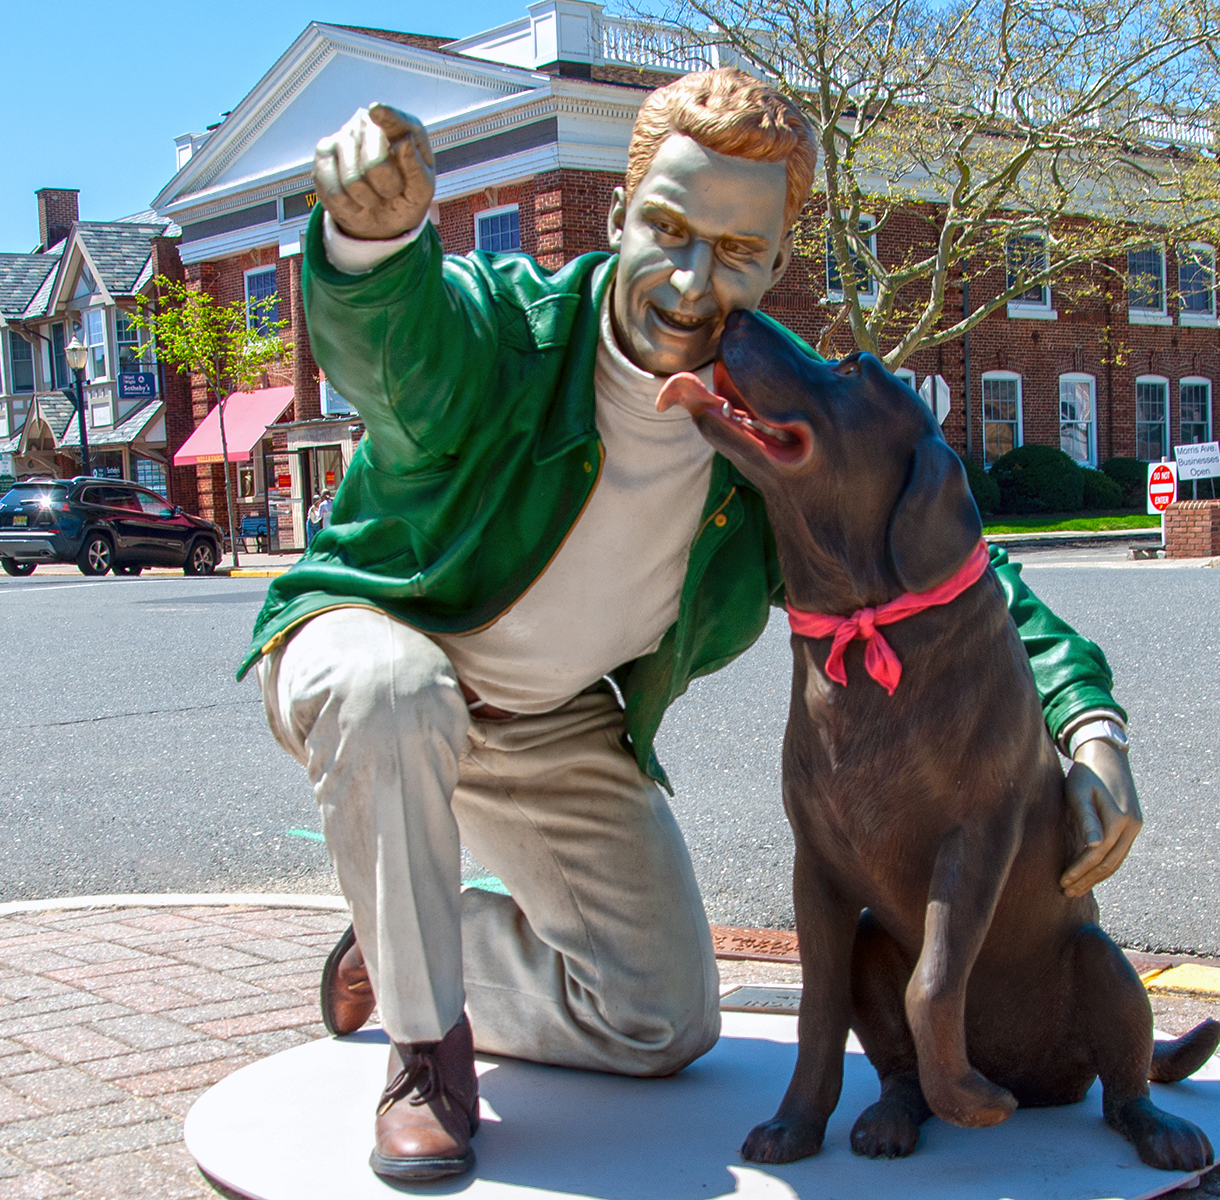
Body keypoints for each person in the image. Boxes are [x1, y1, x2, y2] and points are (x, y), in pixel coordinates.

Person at [247, 68, 1144, 1182]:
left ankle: (417, 943)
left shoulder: (761, 430)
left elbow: (962, 583)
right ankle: (425, 1057)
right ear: (619, 215)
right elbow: (401, 346)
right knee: (391, 691)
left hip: (555, 724)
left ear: (773, 265)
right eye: (666, 228)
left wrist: (1086, 722)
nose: (689, 278)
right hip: (381, 648)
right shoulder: (508, 339)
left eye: (735, 250)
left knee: (661, 1024)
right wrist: (370, 245)